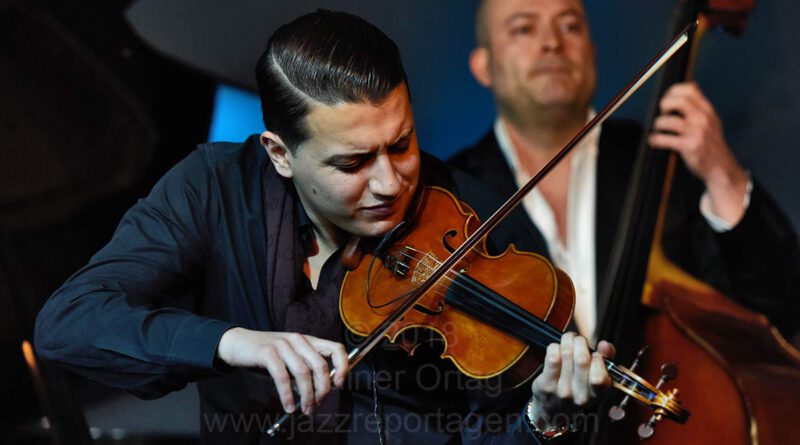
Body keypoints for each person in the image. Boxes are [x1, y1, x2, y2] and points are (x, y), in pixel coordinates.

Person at [35, 10, 617, 445]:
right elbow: (69, 322)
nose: (390, 183)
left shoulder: (474, 218)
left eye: (401, 144)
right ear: (280, 154)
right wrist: (232, 341)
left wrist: (544, 420)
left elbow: (494, 434)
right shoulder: (213, 187)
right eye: (353, 162)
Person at [450, 0, 799, 345]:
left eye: (570, 26)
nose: (552, 42)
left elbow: (782, 309)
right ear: (483, 66)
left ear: (591, 51)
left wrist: (723, 176)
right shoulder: (453, 192)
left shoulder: (665, 158)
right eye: (524, 29)